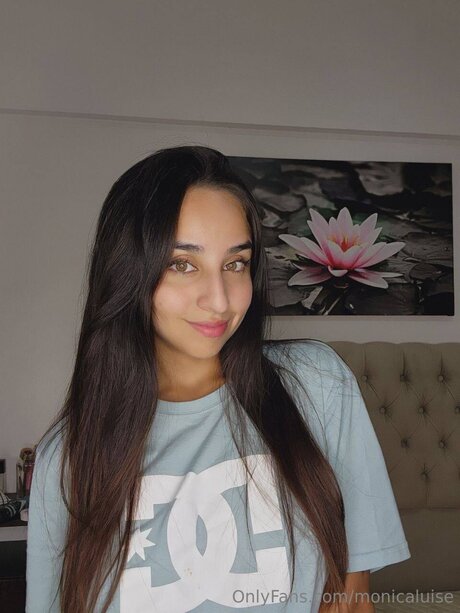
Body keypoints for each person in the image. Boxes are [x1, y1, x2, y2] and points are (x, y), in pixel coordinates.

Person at [25, 145, 410, 613]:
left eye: (235, 264)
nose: (220, 300)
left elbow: (352, 603)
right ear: (128, 272)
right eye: (182, 264)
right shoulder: (69, 456)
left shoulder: (316, 383)